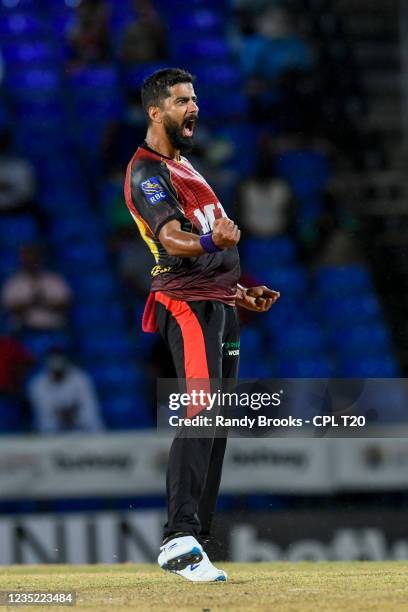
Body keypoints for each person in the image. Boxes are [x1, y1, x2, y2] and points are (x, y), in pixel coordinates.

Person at [124, 68, 280, 582]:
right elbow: (172, 240)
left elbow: (204, 247)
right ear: (155, 111)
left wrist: (237, 291)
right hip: (186, 304)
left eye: (195, 99)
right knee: (200, 413)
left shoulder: (187, 166)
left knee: (216, 423)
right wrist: (215, 243)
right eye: (181, 101)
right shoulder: (147, 171)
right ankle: (177, 540)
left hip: (218, 302)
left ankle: (196, 539)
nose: (194, 107)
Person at [28, 348, 104, 433]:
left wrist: (74, 416)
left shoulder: (81, 378)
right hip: (52, 433)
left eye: (59, 361)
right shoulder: (37, 384)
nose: (56, 364)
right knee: (46, 423)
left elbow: (89, 408)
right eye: (53, 361)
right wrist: (62, 415)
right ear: (47, 363)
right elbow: (43, 412)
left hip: (82, 429)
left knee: (91, 419)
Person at [1, 244, 72, 332]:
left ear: (39, 259)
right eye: (28, 259)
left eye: (34, 258)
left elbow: (65, 305)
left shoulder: (54, 280)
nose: (31, 262)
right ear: (22, 261)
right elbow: (11, 309)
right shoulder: (13, 283)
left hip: (53, 330)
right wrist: (33, 301)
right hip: (25, 332)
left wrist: (42, 301)